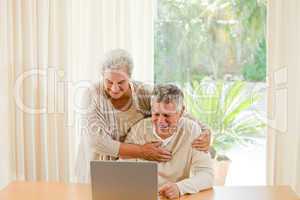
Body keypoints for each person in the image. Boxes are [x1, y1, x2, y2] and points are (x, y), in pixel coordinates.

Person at [75, 49, 212, 183]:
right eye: (109, 82)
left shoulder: (144, 92)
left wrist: (206, 131)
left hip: (127, 168)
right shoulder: (92, 95)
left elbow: (174, 109)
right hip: (97, 166)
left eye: (121, 82)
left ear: (130, 76)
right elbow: (96, 141)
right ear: (102, 76)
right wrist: (141, 151)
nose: (115, 88)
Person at [123, 84, 214, 199]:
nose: (161, 121)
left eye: (167, 115)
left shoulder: (192, 130)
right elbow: (123, 172)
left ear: (181, 112)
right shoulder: (139, 130)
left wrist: (180, 188)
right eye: (156, 114)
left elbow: (207, 175)